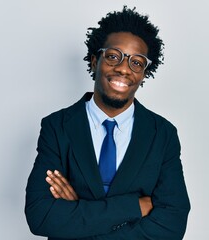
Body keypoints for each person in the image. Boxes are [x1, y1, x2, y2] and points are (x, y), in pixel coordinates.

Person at [25, 6, 190, 240]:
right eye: (114, 56)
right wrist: (135, 206)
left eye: (136, 62)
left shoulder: (162, 134)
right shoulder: (57, 126)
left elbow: (172, 225)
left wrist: (79, 215)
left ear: (144, 73)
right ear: (95, 61)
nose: (124, 68)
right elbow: (40, 216)